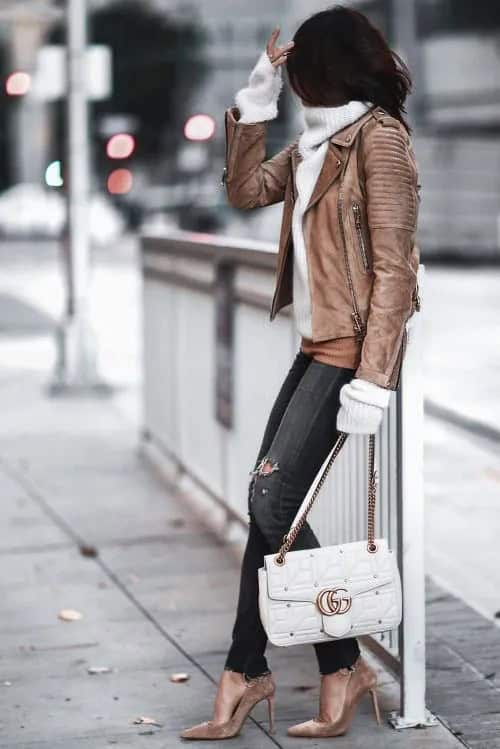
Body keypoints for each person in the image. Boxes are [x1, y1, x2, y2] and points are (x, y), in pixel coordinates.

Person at [180, 5, 420, 741]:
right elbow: (246, 189)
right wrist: (255, 99)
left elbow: (394, 268)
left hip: (349, 351)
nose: (294, 82)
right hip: (313, 345)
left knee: (270, 499)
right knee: (268, 500)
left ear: (325, 68)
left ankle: (269, 668)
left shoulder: (377, 142)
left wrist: (375, 380)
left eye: (296, 70)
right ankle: (315, 666)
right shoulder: (318, 140)